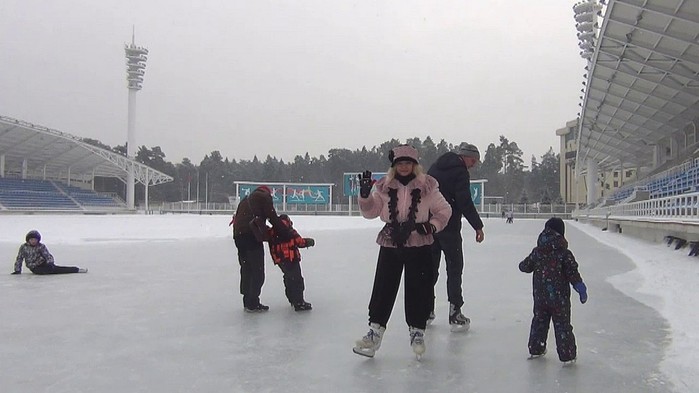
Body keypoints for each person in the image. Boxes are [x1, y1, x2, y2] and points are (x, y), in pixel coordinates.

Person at [353, 145, 452, 359]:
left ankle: (417, 331)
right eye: (400, 163)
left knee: (418, 289)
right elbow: (371, 212)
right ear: (394, 166)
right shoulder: (385, 187)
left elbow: (445, 210)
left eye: (408, 163)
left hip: (419, 242)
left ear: (415, 165)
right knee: (383, 288)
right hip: (391, 242)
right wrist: (365, 197)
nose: (404, 167)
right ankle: (375, 332)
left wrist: (432, 225)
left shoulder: (427, 187)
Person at [427, 142, 484, 331]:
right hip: (449, 227)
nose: (474, 165)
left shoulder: (435, 167)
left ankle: (426, 310)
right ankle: (455, 312)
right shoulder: (460, 172)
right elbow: (464, 200)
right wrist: (477, 225)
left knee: (428, 270)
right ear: (466, 157)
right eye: (473, 160)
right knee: (454, 267)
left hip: (429, 225)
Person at [518, 217, 587, 365]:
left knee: (539, 322)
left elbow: (525, 266)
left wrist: (523, 265)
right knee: (562, 326)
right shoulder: (564, 254)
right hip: (559, 299)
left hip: (541, 298)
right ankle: (567, 355)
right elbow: (572, 273)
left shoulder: (537, 252)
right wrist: (580, 287)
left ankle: (536, 349)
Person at [232, 185, 291, 313]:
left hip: (238, 237)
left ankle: (247, 300)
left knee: (246, 268)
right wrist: (287, 233)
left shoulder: (245, 200)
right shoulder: (264, 197)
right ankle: (253, 302)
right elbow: (273, 218)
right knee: (257, 270)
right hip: (251, 236)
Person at [266, 214, 315, 311]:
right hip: (292, 258)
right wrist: (309, 242)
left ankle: (292, 298)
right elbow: (300, 242)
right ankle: (299, 302)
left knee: (289, 277)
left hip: (281, 260)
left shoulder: (272, 231)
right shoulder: (290, 231)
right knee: (297, 280)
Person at [12, 230, 87, 275]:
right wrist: (17, 270)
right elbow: (19, 258)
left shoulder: (41, 246)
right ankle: (76, 270)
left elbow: (47, 256)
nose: (33, 241)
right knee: (44, 272)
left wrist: (50, 263)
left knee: (56, 269)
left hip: (43, 263)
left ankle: (76, 270)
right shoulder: (24, 247)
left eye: (35, 239)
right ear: (28, 240)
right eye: (32, 239)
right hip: (34, 267)